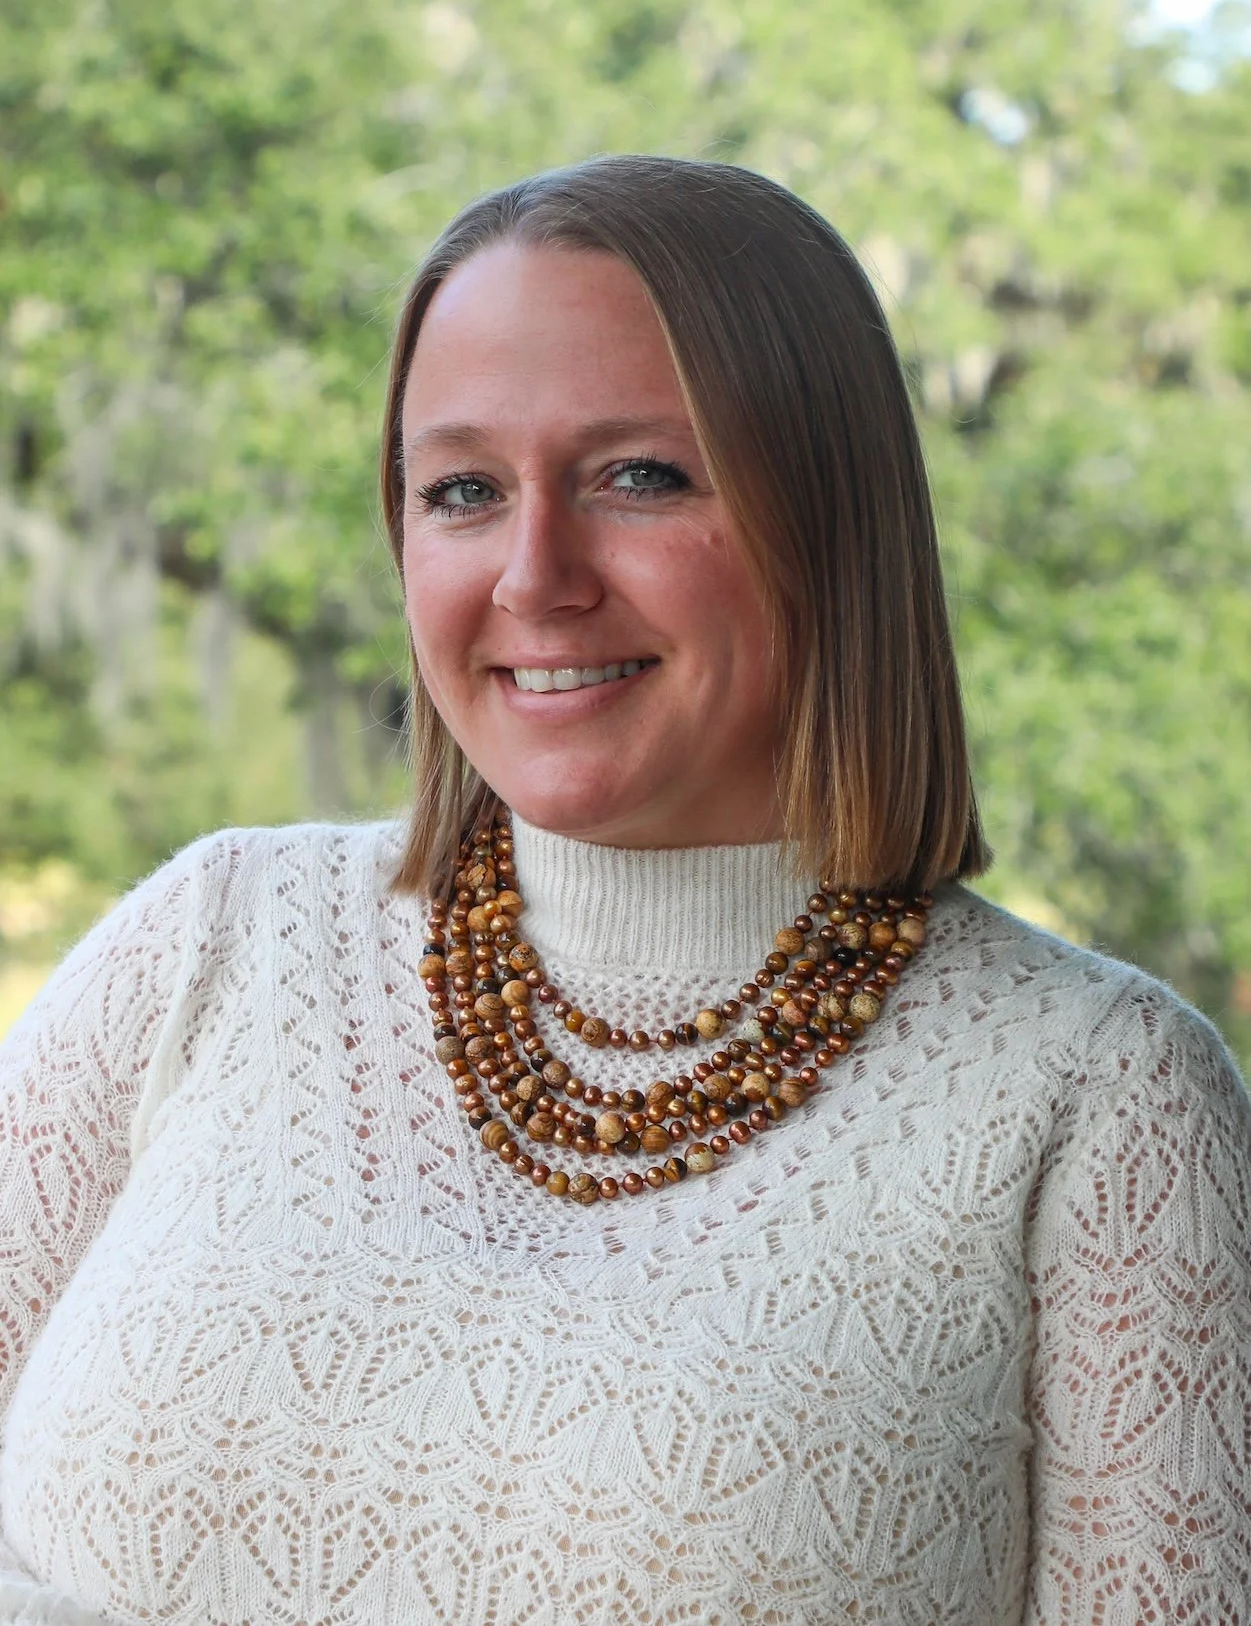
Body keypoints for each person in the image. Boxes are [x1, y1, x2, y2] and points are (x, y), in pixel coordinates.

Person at [1, 155, 1248, 1626]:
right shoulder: (213, 939)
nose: (534, 575)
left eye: (638, 477)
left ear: (827, 514)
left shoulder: (1097, 1096)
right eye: (463, 490)